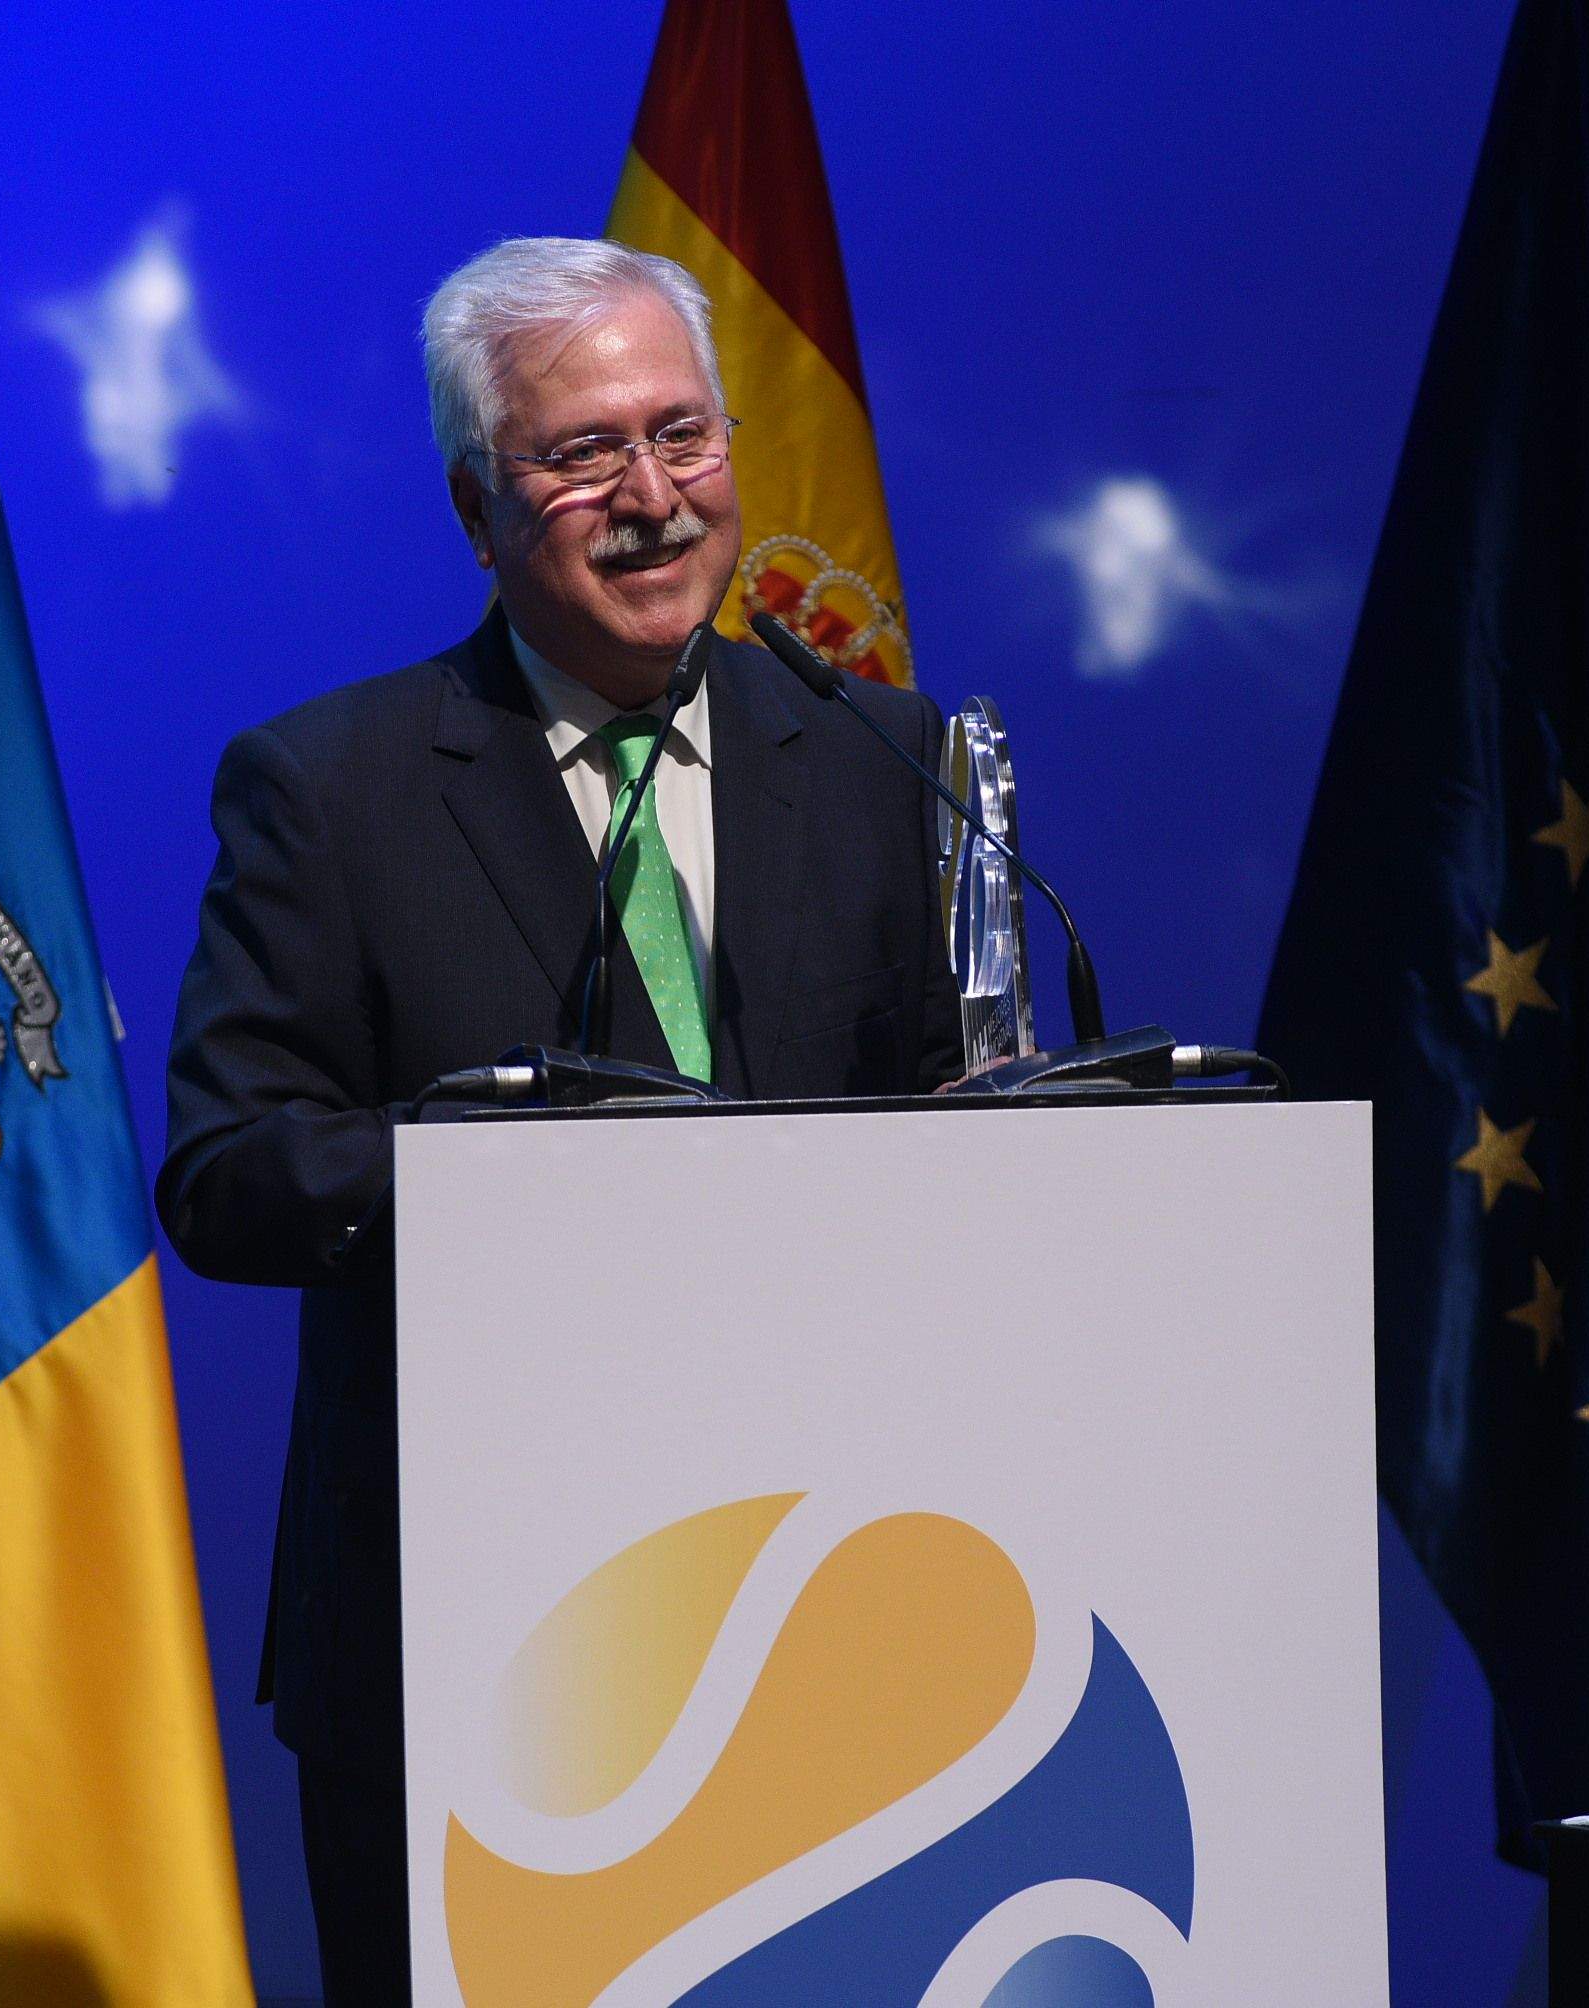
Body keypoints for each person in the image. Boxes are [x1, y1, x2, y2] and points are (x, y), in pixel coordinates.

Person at [156, 236, 959, 2002]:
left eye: (683, 436)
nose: (653, 499)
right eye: (587, 454)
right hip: (472, 1651)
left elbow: (955, 1153)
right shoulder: (334, 787)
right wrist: (523, 1199)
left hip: (829, 1632)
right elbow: (227, 1171)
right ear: (477, 506)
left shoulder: (882, 757)